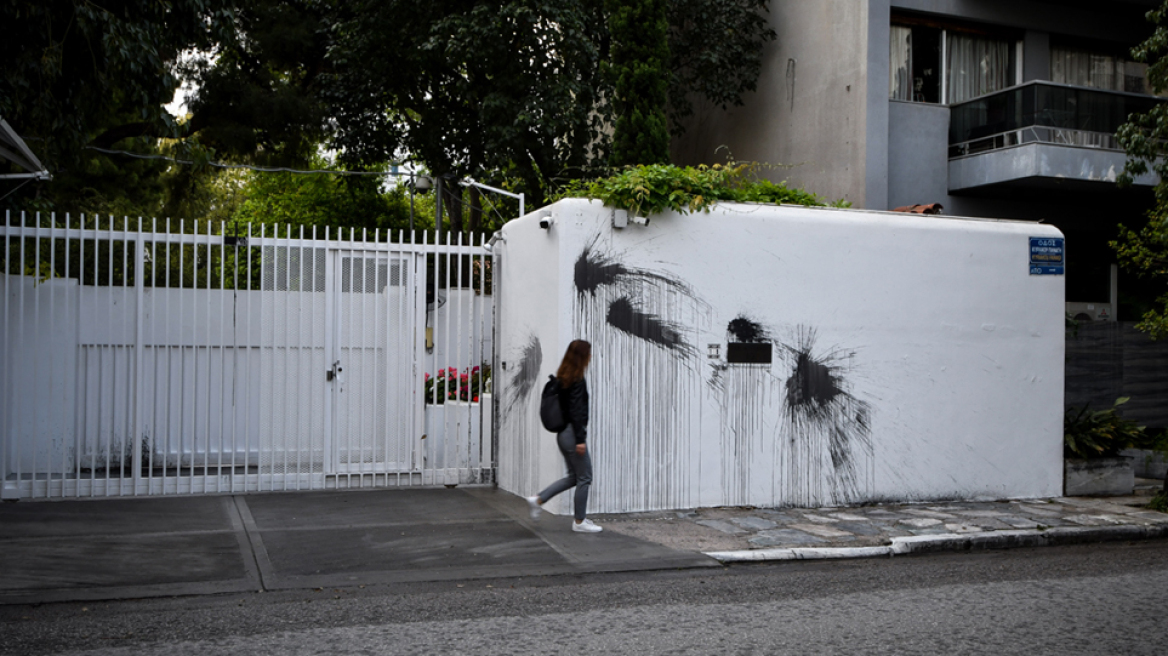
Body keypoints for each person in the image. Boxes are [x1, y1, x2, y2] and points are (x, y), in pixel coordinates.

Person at [526, 340, 601, 533]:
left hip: (563, 435)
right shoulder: (577, 381)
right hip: (571, 435)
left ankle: (538, 499)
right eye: (589, 354)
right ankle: (579, 522)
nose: (591, 357)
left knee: (573, 477)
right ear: (582, 357)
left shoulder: (563, 378)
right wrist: (580, 440)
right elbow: (577, 413)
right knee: (585, 477)